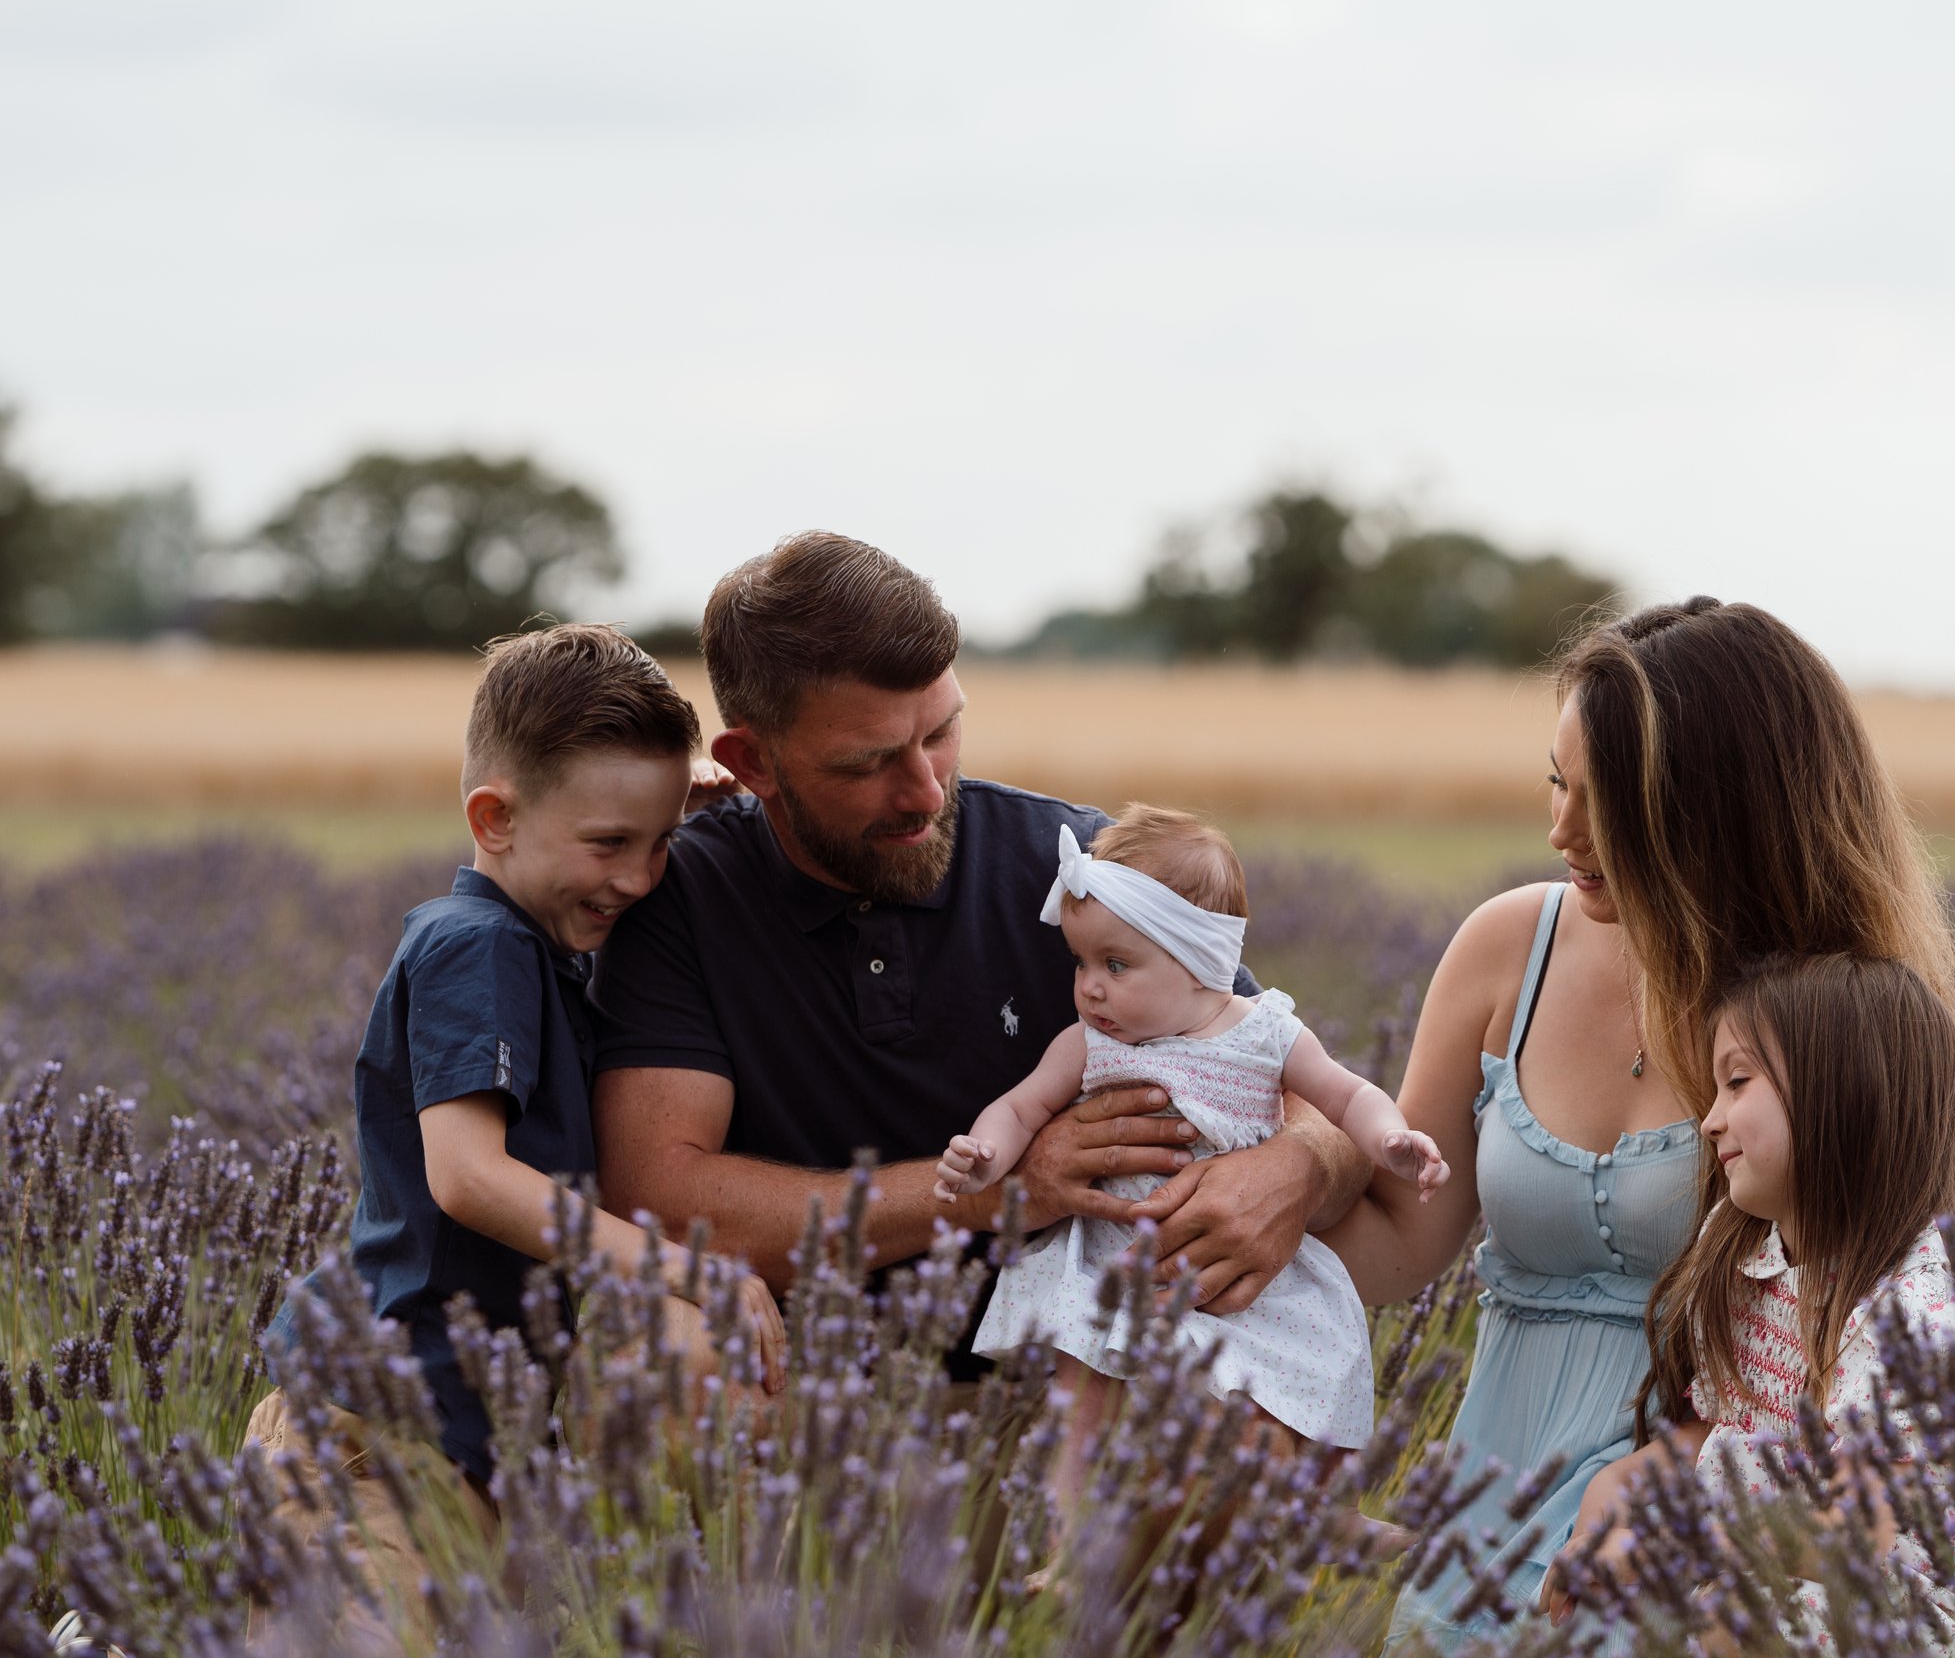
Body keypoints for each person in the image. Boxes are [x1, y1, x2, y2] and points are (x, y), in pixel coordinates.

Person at [1317, 597, 1955, 1650]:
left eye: (1606, 801)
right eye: (1555, 781)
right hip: (1492, 1489)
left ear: (1707, 808)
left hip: (1693, 1541)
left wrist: (1683, 1484)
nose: (1560, 830)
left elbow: (1918, 1320)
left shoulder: (1830, 1026)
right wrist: (1239, 1214)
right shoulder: (1508, 948)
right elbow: (1402, 1224)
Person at [588, 534, 1375, 1387]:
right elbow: (661, 1196)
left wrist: (1297, 1165)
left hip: (1071, 1387)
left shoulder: (1080, 871)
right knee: (660, 1365)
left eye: (942, 731)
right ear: (752, 762)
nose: (926, 789)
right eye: (868, 762)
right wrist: (999, 1190)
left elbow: (1300, 1075)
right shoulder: (683, 894)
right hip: (800, 1400)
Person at [247, 625, 788, 1646]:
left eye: (660, 841)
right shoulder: (478, 948)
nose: (639, 876)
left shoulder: (534, 945)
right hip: (368, 1434)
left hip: (455, 1440)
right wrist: (686, 1269)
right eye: (608, 842)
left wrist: (687, 810)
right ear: (493, 818)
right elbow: (468, 1177)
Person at [936, 807, 1446, 1508]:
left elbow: (1346, 1094)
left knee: (1297, 1383)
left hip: (1240, 1271)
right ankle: (1064, 1533)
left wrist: (1391, 1138)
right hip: (1113, 1265)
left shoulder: (1269, 1031)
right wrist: (985, 1155)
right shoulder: (1090, 1044)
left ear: (1200, 960)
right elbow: (1022, 1107)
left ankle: (1323, 1512)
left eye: (1115, 963)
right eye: (1081, 962)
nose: (1089, 986)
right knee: (1079, 1397)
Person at [1543, 953, 1955, 1656]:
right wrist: (1614, 1498)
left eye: (1737, 1082)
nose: (1709, 1121)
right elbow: (1712, 1436)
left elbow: (1864, 1525)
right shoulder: (1752, 1260)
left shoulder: (1910, 1310)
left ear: (1841, 1091)